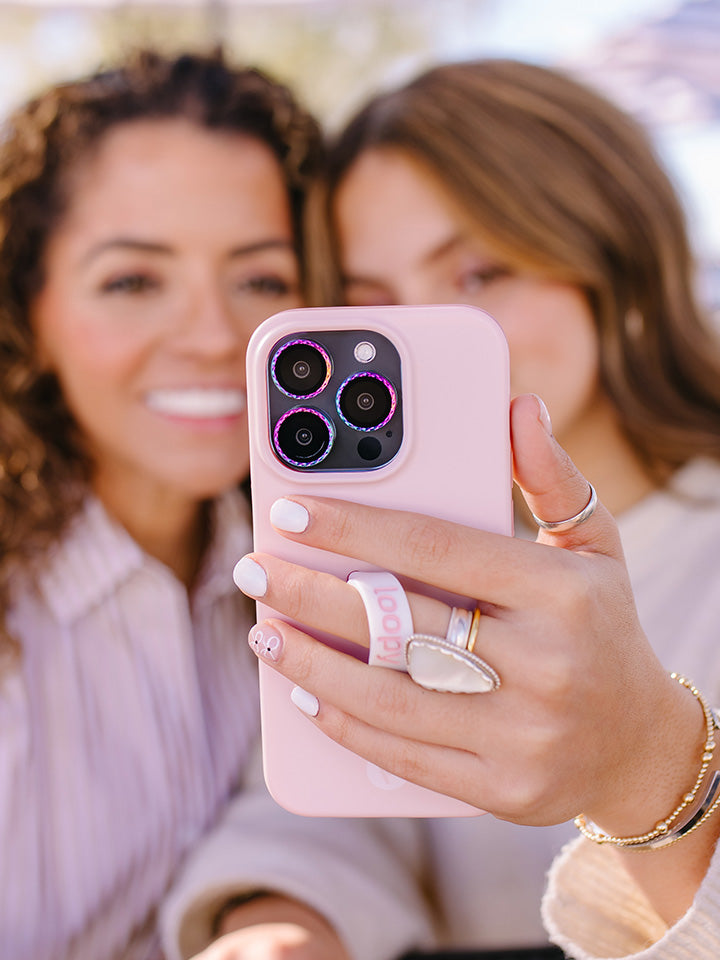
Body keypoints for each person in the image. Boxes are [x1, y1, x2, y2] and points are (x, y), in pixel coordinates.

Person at [232, 59, 720, 958]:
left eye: (479, 271)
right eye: (372, 297)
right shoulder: (380, 543)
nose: (425, 328)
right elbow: (328, 788)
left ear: (615, 264)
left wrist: (649, 767)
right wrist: (280, 921)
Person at [0, 49, 433, 960]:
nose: (213, 338)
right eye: (133, 281)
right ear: (28, 313)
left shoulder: (351, 575)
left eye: (262, 281)